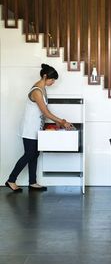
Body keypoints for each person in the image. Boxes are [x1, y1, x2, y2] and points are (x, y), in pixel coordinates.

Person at [5, 63, 73, 192]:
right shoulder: (37, 91)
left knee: (35, 154)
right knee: (29, 154)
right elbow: (45, 112)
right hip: (29, 128)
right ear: (45, 76)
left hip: (37, 128)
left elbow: (44, 113)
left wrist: (57, 123)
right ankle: (11, 180)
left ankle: (32, 182)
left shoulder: (43, 89)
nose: (53, 82)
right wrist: (62, 121)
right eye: (52, 79)